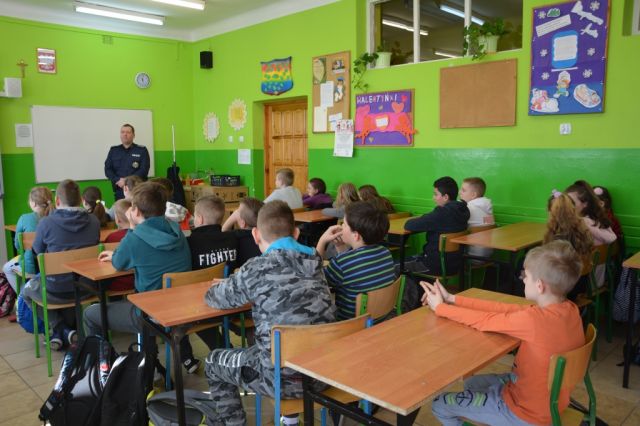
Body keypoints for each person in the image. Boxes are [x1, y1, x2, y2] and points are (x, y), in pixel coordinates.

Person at [203, 201, 335, 425]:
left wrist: (231, 283)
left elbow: (216, 298)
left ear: (255, 234)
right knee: (285, 337)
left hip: (278, 380)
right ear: (295, 233)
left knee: (212, 361)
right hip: (322, 373)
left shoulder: (255, 268)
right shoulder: (315, 261)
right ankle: (289, 420)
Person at [427, 240, 584, 426]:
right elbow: (505, 309)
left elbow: (484, 321)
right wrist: (453, 299)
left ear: (540, 286)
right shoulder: (569, 310)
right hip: (549, 403)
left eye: (526, 276)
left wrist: (440, 308)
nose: (523, 279)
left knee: (439, 404)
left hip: (524, 413)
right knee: (471, 384)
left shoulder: (533, 320)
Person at [84, 182, 191, 346]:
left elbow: (118, 263)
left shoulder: (135, 238)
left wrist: (132, 227)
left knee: (90, 313)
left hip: (150, 314)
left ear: (136, 212)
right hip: (182, 307)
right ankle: (153, 354)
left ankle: (105, 358)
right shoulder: (176, 230)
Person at [21, 179, 100, 350]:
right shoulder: (94, 221)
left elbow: (37, 252)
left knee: (26, 292)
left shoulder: (46, 223)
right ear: (81, 200)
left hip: (55, 290)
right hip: (87, 288)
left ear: (57, 201)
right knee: (68, 284)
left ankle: (60, 328)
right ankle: (67, 331)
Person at [179, 195, 239, 372]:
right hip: (232, 302)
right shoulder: (233, 239)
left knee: (187, 309)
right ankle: (225, 351)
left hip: (202, 307)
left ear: (199, 218)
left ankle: (187, 358)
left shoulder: (189, 244)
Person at [317, 201, 396, 321]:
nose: (341, 226)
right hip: (381, 318)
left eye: (344, 224)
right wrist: (341, 248)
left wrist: (322, 241)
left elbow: (316, 280)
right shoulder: (385, 252)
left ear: (356, 235)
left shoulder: (342, 263)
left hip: (352, 323)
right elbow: (356, 265)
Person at [402, 176, 469, 311]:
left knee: (396, 266)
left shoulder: (442, 213)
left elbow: (409, 225)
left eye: (436, 194)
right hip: (456, 263)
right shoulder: (463, 210)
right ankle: (421, 297)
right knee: (410, 261)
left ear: (445, 197)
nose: (433, 198)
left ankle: (407, 307)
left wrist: (426, 217)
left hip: (434, 264)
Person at [2, 187, 54, 293]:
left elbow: (18, 245)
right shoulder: (58, 218)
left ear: (33, 203)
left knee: (7, 268)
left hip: (31, 268)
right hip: (55, 266)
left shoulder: (24, 218)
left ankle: (24, 295)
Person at [565, 180, 616, 287]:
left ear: (585, 204)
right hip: (596, 281)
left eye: (572, 203)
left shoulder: (581, 224)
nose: (567, 206)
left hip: (584, 283)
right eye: (565, 201)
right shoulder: (596, 220)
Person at [544, 192, 594, 300]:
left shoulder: (559, 238)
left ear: (551, 212)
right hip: (582, 283)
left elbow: (553, 269)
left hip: (566, 289)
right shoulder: (582, 230)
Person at [104, 124, 150, 200]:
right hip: (119, 189)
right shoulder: (114, 150)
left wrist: (126, 180)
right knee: (120, 208)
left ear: (133, 135)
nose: (125, 134)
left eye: (128, 132)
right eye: (122, 132)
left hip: (137, 191)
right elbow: (107, 169)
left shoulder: (142, 150)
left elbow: (144, 170)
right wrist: (118, 180)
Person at [222, 197, 263, 269]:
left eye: (237, 211)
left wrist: (232, 217)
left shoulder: (236, 235)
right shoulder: (264, 236)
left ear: (242, 223)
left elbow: (223, 232)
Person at [458, 177, 494, 259]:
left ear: (473, 195)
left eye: (463, 190)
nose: (459, 192)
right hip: (488, 254)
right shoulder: (487, 208)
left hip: (472, 256)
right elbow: (488, 223)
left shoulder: (468, 208)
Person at [103, 199, 134, 292]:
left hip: (116, 283)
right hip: (137, 282)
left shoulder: (111, 237)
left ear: (117, 219)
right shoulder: (140, 235)